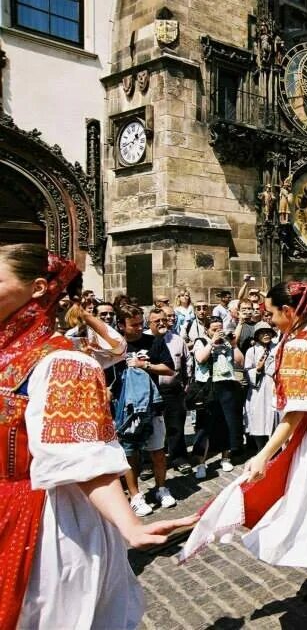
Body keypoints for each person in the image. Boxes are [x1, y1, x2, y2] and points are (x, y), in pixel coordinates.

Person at [0, 244, 195, 629]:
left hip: (45, 521)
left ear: (37, 288)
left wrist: (129, 525)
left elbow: (83, 458)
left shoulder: (62, 362)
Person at [179, 281, 307, 629]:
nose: (267, 319)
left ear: (288, 312)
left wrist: (263, 455)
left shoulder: (303, 344)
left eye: (271, 313)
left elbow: (298, 411)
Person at [113, 306, 177, 515]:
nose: (140, 328)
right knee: (130, 454)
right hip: (126, 410)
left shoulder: (153, 341)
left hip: (152, 405)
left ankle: (161, 488)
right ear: (121, 325)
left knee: (157, 451)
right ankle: (136, 496)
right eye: (135, 325)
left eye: (142, 323)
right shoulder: (114, 346)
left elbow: (169, 369)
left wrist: (144, 365)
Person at [192, 316, 245, 476]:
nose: (218, 332)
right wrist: (212, 341)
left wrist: (234, 345)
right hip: (208, 387)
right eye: (214, 329)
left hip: (227, 385)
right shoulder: (201, 341)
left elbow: (240, 362)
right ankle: (201, 464)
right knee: (204, 426)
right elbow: (200, 358)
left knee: (228, 423)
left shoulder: (228, 342)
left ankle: (225, 458)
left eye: (219, 328)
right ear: (207, 330)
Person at [157, 305, 193, 472]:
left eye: (170, 318)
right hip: (153, 390)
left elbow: (187, 363)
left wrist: (186, 385)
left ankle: (178, 458)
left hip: (173, 390)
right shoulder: (147, 339)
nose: (167, 321)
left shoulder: (178, 340)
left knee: (176, 426)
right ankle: (148, 464)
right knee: (151, 428)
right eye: (163, 318)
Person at [244, 322, 279, 451]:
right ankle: (260, 449)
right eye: (262, 332)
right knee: (259, 419)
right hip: (258, 390)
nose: (266, 335)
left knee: (274, 418)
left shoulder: (277, 348)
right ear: (257, 335)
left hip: (274, 387)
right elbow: (247, 372)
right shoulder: (252, 351)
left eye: (268, 332)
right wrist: (257, 370)